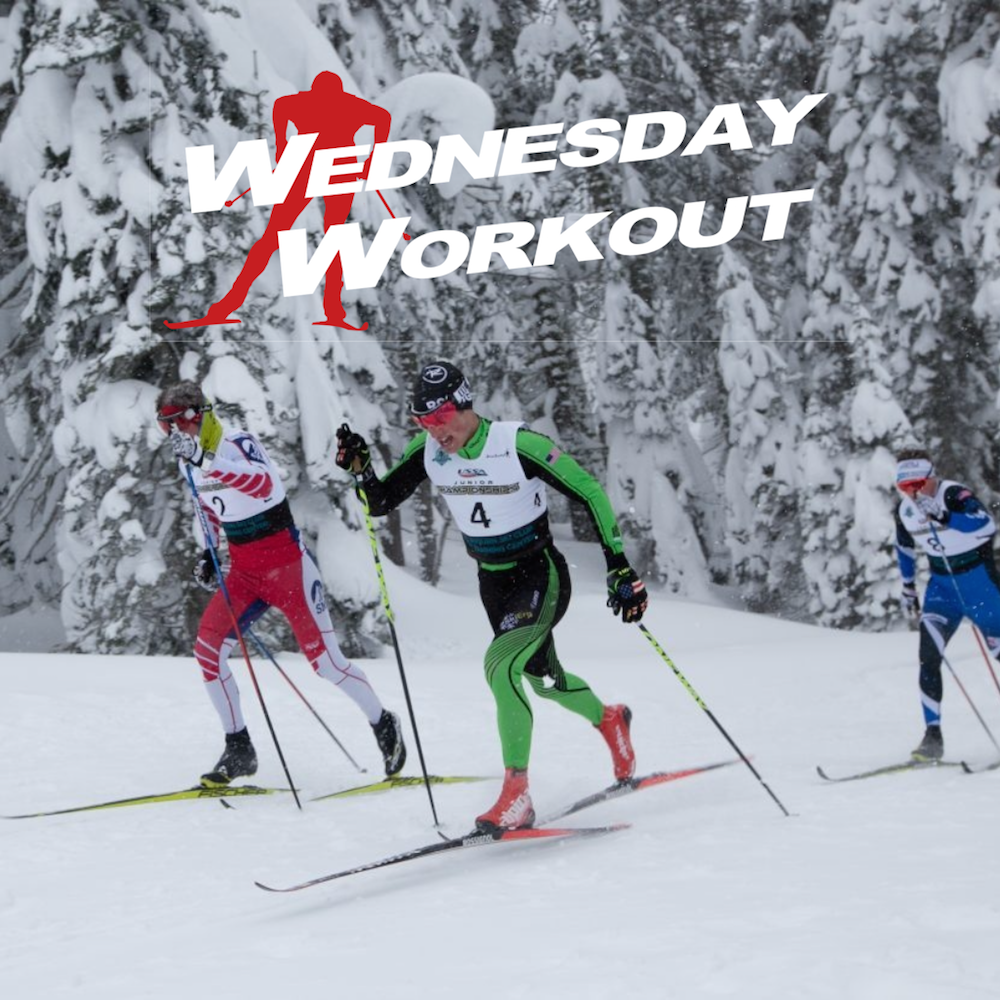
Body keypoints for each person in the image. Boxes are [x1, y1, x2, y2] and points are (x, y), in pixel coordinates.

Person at [334, 361, 649, 833]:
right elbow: (379, 502)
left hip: (540, 574)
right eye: (422, 420)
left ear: (465, 403)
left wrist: (619, 566)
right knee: (544, 679)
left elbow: (587, 490)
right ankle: (610, 721)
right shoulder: (429, 451)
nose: (433, 430)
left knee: (500, 667)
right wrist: (362, 470)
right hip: (492, 582)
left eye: (440, 417)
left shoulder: (517, 444)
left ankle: (517, 793)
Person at [156, 380, 405, 786]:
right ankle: (239, 748)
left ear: (197, 416)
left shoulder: (235, 443)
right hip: (244, 573)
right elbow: (206, 506)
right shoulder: (189, 459)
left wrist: (206, 459)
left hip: (288, 569)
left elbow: (265, 485)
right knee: (207, 650)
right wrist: (208, 549)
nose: (171, 435)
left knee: (326, 664)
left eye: (175, 424)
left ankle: (383, 723)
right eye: (163, 428)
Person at [166, 72, 390, 330]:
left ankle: (231, 302)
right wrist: (374, 159)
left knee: (277, 236)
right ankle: (331, 306)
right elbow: (381, 118)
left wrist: (285, 147)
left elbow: (283, 107)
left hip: (310, 169)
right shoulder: (348, 105)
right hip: (335, 170)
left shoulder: (305, 102)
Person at [894, 448, 1000, 761]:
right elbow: (904, 547)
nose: (912, 492)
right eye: (904, 486)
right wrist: (909, 587)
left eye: (917, 484)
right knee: (928, 656)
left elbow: (985, 526)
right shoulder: (904, 511)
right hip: (942, 592)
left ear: (931, 477)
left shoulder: (953, 494)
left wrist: (944, 516)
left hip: (980, 587)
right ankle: (933, 737)